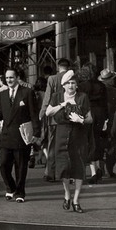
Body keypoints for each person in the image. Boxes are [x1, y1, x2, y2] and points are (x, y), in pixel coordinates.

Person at [46, 70, 92, 213]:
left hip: (78, 135)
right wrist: (63, 104)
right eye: (68, 83)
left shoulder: (82, 97)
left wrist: (81, 120)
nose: (71, 85)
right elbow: (48, 112)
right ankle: (67, 194)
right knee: (64, 168)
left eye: (73, 83)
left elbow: (90, 118)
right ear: (63, 85)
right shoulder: (57, 96)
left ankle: (76, 200)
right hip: (61, 134)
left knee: (79, 167)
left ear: (77, 85)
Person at [0, 67, 40, 203]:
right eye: (7, 78)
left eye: (11, 77)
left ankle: (20, 192)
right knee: (3, 165)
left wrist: (36, 133)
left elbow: (34, 113)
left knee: (21, 167)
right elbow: (3, 114)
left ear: (17, 78)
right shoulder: (2, 94)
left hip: (21, 134)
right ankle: (11, 187)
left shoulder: (27, 92)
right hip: (6, 135)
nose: (9, 80)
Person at [39, 58, 70, 181]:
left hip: (54, 117)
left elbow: (47, 98)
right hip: (69, 116)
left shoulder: (52, 79)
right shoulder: (73, 78)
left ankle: (50, 173)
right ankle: (67, 173)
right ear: (68, 67)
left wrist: (42, 113)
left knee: (52, 145)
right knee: (68, 145)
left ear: (58, 67)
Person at [77, 62, 108, 184]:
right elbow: (105, 103)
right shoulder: (101, 85)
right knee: (97, 140)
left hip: (87, 113)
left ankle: (94, 172)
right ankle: (98, 167)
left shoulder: (81, 86)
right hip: (100, 114)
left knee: (89, 142)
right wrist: (106, 118)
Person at [98, 68, 116, 177]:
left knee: (99, 145)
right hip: (113, 121)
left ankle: (100, 168)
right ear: (110, 80)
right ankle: (110, 170)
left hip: (99, 121)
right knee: (111, 146)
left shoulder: (96, 92)